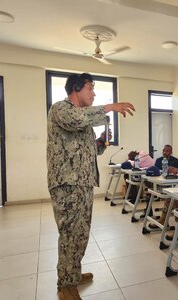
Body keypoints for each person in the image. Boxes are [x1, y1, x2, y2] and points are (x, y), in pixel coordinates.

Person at [47, 73, 135, 299]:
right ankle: (66, 285)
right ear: (76, 88)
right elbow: (75, 119)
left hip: (83, 184)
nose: (94, 93)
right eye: (90, 88)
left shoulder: (84, 122)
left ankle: (73, 274)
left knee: (81, 233)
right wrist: (110, 107)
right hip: (67, 184)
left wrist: (102, 141)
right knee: (70, 233)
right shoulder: (60, 109)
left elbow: (89, 150)